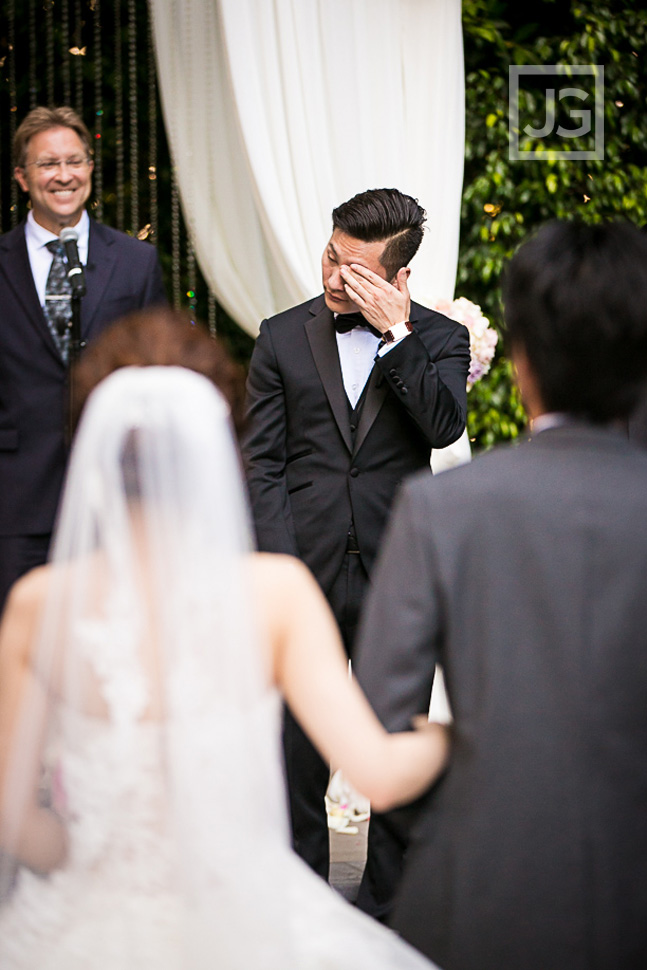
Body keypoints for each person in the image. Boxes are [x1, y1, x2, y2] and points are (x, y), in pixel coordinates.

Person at [0, 359, 448, 969]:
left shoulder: (38, 605)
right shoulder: (276, 594)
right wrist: (445, 738)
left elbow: (14, 819)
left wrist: (88, 854)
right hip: (243, 916)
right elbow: (380, 774)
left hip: (83, 923)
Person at [353, 219, 647, 970]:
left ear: (518, 360)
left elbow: (380, 727)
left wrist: (479, 787)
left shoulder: (442, 508)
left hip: (476, 895)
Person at [242, 187, 470, 909]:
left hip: (394, 578)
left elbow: (440, 429)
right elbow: (262, 464)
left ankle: (389, 910)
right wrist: (282, 572)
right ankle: (299, 901)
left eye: (357, 270)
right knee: (296, 752)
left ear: (398, 278)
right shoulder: (279, 336)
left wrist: (399, 336)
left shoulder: (438, 339)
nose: (334, 278)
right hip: (300, 574)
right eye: (330, 257)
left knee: (390, 742)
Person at [0, 105, 166, 614]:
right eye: (49, 164)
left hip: (113, 497)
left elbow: (154, 372)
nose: (64, 175)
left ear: (91, 168)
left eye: (76, 160)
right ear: (22, 177)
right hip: (15, 499)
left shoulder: (136, 262)